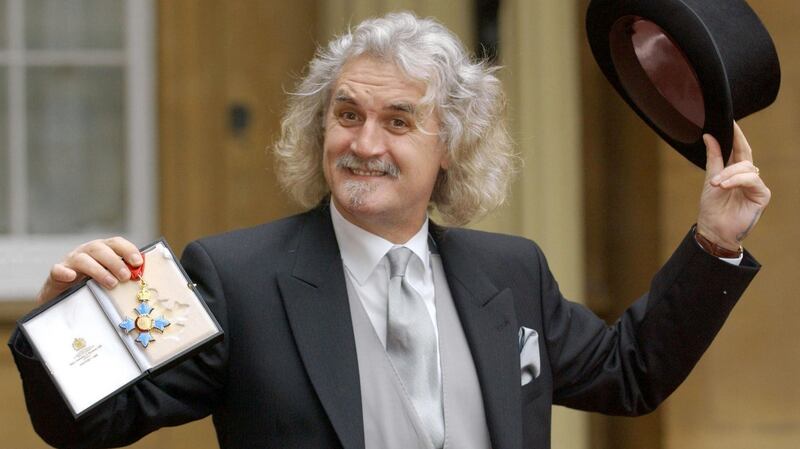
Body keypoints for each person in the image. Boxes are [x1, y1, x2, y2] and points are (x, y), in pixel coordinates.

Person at [10, 12, 769, 449]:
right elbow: (90, 424)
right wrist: (62, 323)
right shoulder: (234, 275)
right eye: (347, 115)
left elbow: (632, 374)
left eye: (398, 121)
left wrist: (714, 244)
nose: (364, 144)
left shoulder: (512, 272)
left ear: (451, 146)